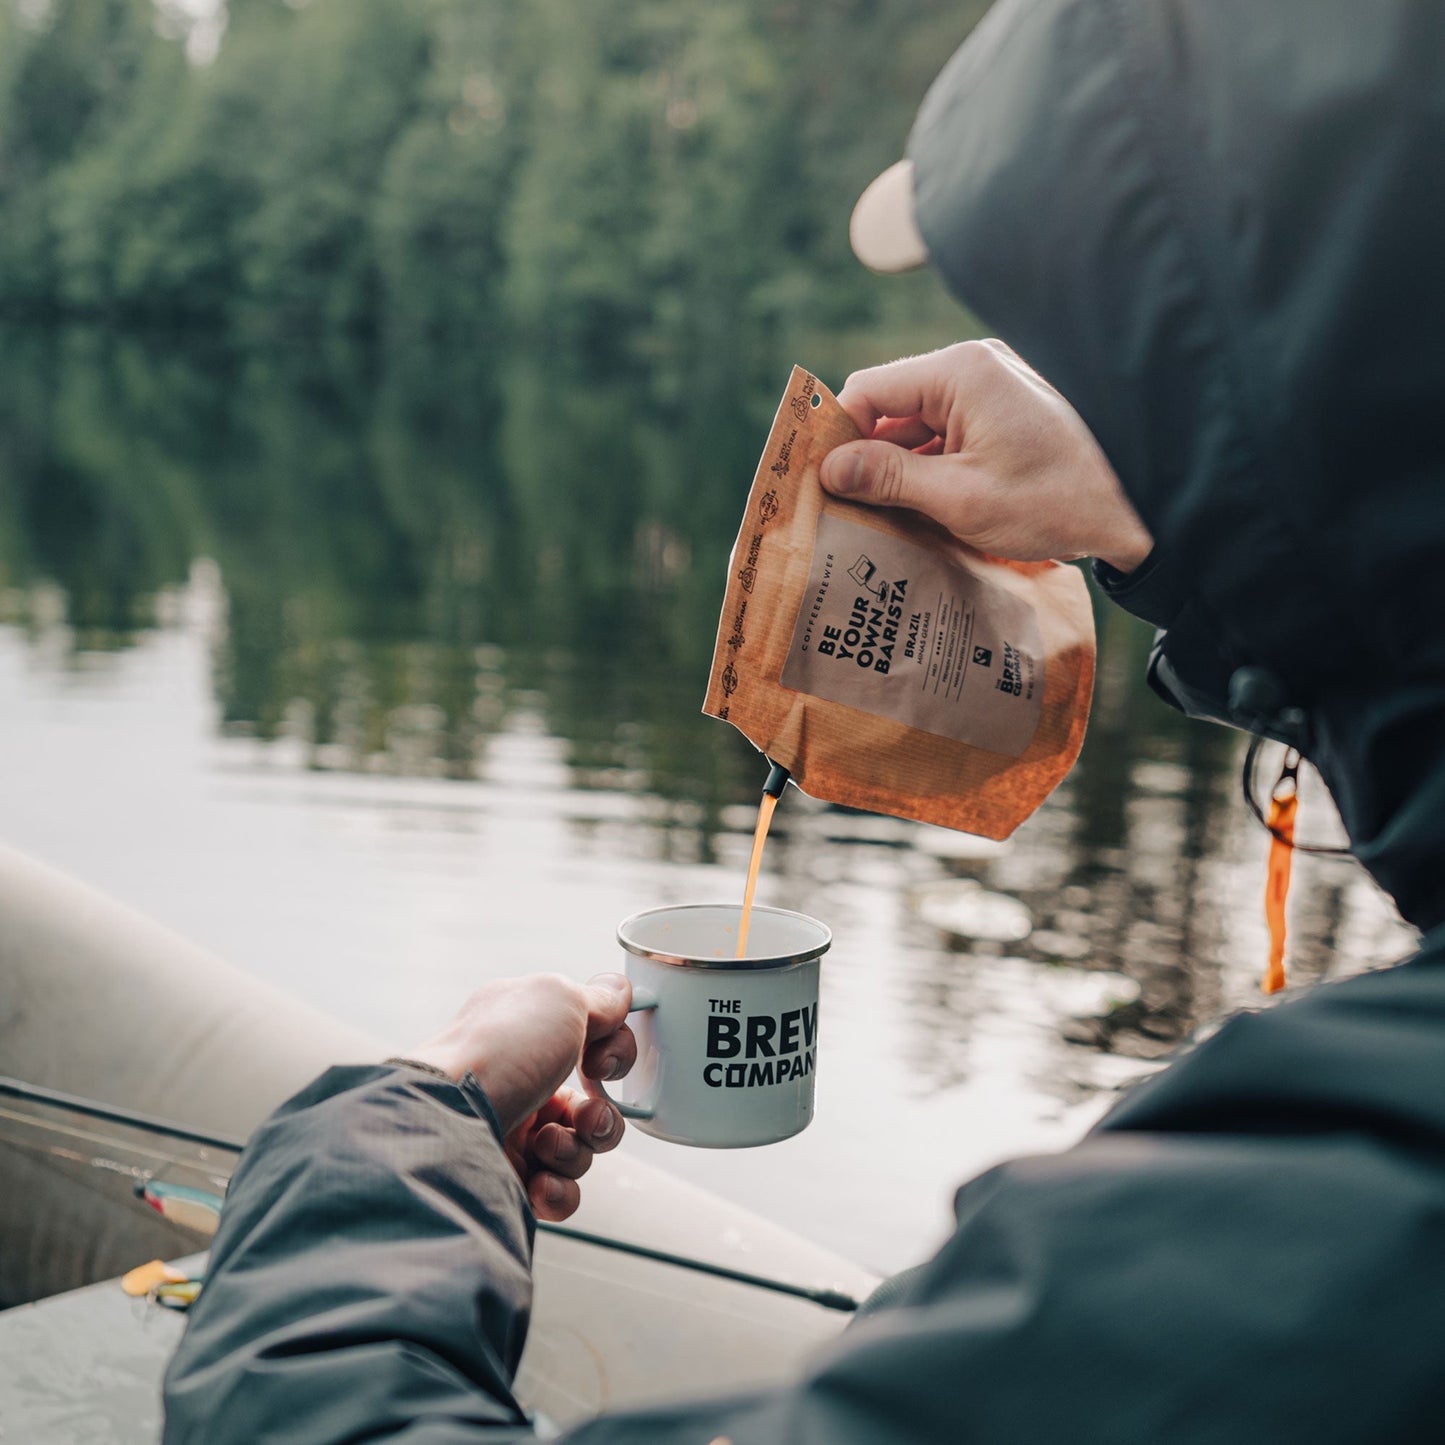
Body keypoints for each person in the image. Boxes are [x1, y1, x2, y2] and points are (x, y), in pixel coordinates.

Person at [165, 0, 1445, 1440]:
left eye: (1107, 353)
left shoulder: (1322, 1222)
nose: (1064, 372)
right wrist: (1169, 518)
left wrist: (422, 1108)